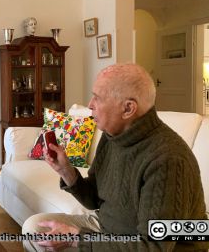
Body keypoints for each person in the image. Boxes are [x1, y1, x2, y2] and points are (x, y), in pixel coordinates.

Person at [23, 63, 208, 251]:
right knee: (34, 230)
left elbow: (153, 247)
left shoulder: (168, 160)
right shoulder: (112, 135)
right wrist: (67, 172)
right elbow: (93, 200)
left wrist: (77, 239)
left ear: (128, 108)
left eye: (97, 98)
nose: (90, 105)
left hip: (145, 245)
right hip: (107, 230)